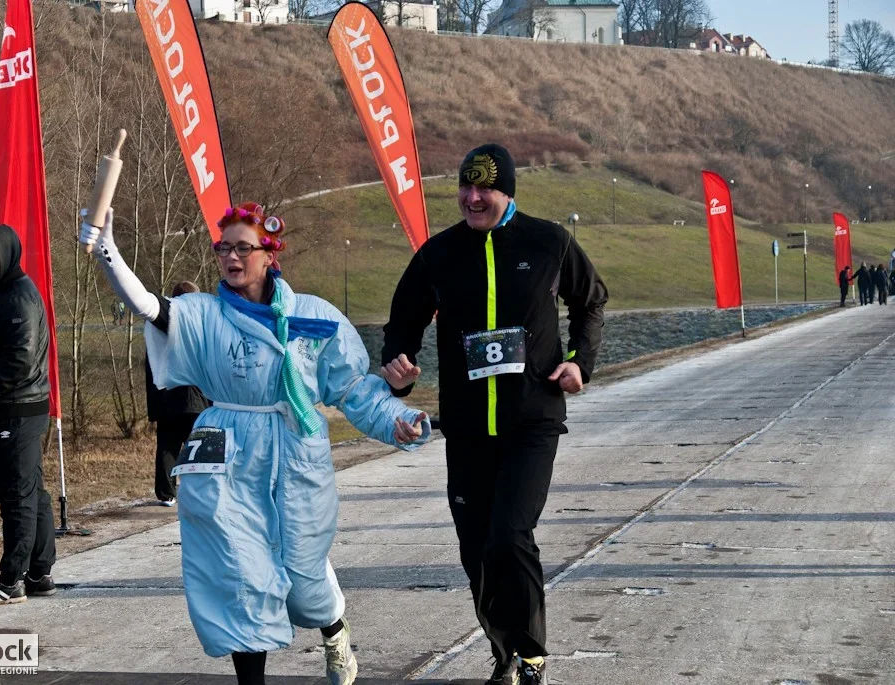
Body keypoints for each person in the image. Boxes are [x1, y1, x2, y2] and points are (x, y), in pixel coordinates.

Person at [80, 202, 430, 685]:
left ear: (270, 255)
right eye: (224, 248)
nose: (231, 257)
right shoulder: (204, 314)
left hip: (297, 452)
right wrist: (107, 250)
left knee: (304, 583)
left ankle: (333, 629)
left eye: (244, 247)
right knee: (240, 573)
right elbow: (148, 304)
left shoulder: (314, 316)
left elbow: (353, 390)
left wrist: (399, 419)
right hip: (230, 452)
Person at [380, 144, 607, 685]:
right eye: (466, 187)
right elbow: (401, 322)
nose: (473, 198)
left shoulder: (549, 242)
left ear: (508, 192)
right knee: (476, 547)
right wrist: (399, 364)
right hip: (465, 426)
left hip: (531, 420)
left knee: (510, 534)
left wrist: (579, 363)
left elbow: (592, 300)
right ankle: (502, 650)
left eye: (485, 188)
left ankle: (531, 656)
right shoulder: (439, 254)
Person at [0, 225, 57, 605]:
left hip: (14, 410)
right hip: (16, 408)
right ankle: (39, 571)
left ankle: (11, 580)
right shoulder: (7, 293)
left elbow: (19, 359)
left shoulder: (18, 296)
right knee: (31, 491)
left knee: (16, 496)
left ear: (8, 253)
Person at [145, 280, 211, 506]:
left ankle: (166, 492)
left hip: (167, 397)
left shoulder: (156, 328)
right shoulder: (200, 325)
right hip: (196, 397)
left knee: (167, 446)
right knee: (201, 443)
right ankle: (205, 489)